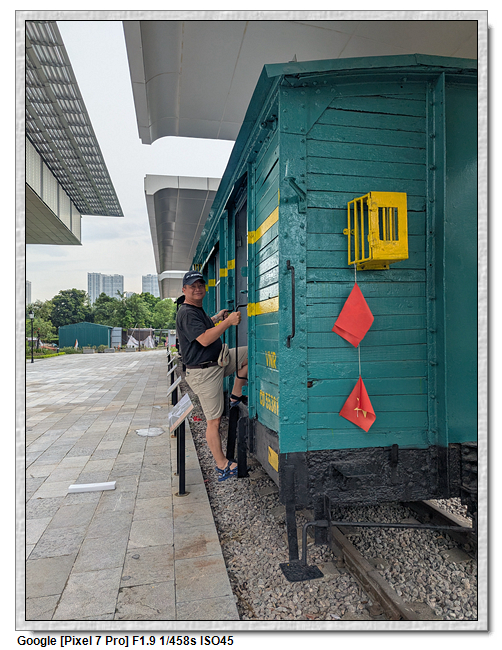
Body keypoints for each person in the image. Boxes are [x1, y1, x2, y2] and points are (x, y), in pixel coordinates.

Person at [176, 270, 248, 482]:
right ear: (184, 290)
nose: (197, 289)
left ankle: (235, 395)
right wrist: (228, 322)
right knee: (213, 421)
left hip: (218, 363)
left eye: (200, 285)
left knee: (249, 355)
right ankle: (222, 465)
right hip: (204, 373)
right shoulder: (186, 312)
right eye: (192, 286)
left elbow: (203, 325)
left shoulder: (196, 310)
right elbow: (205, 339)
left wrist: (216, 318)